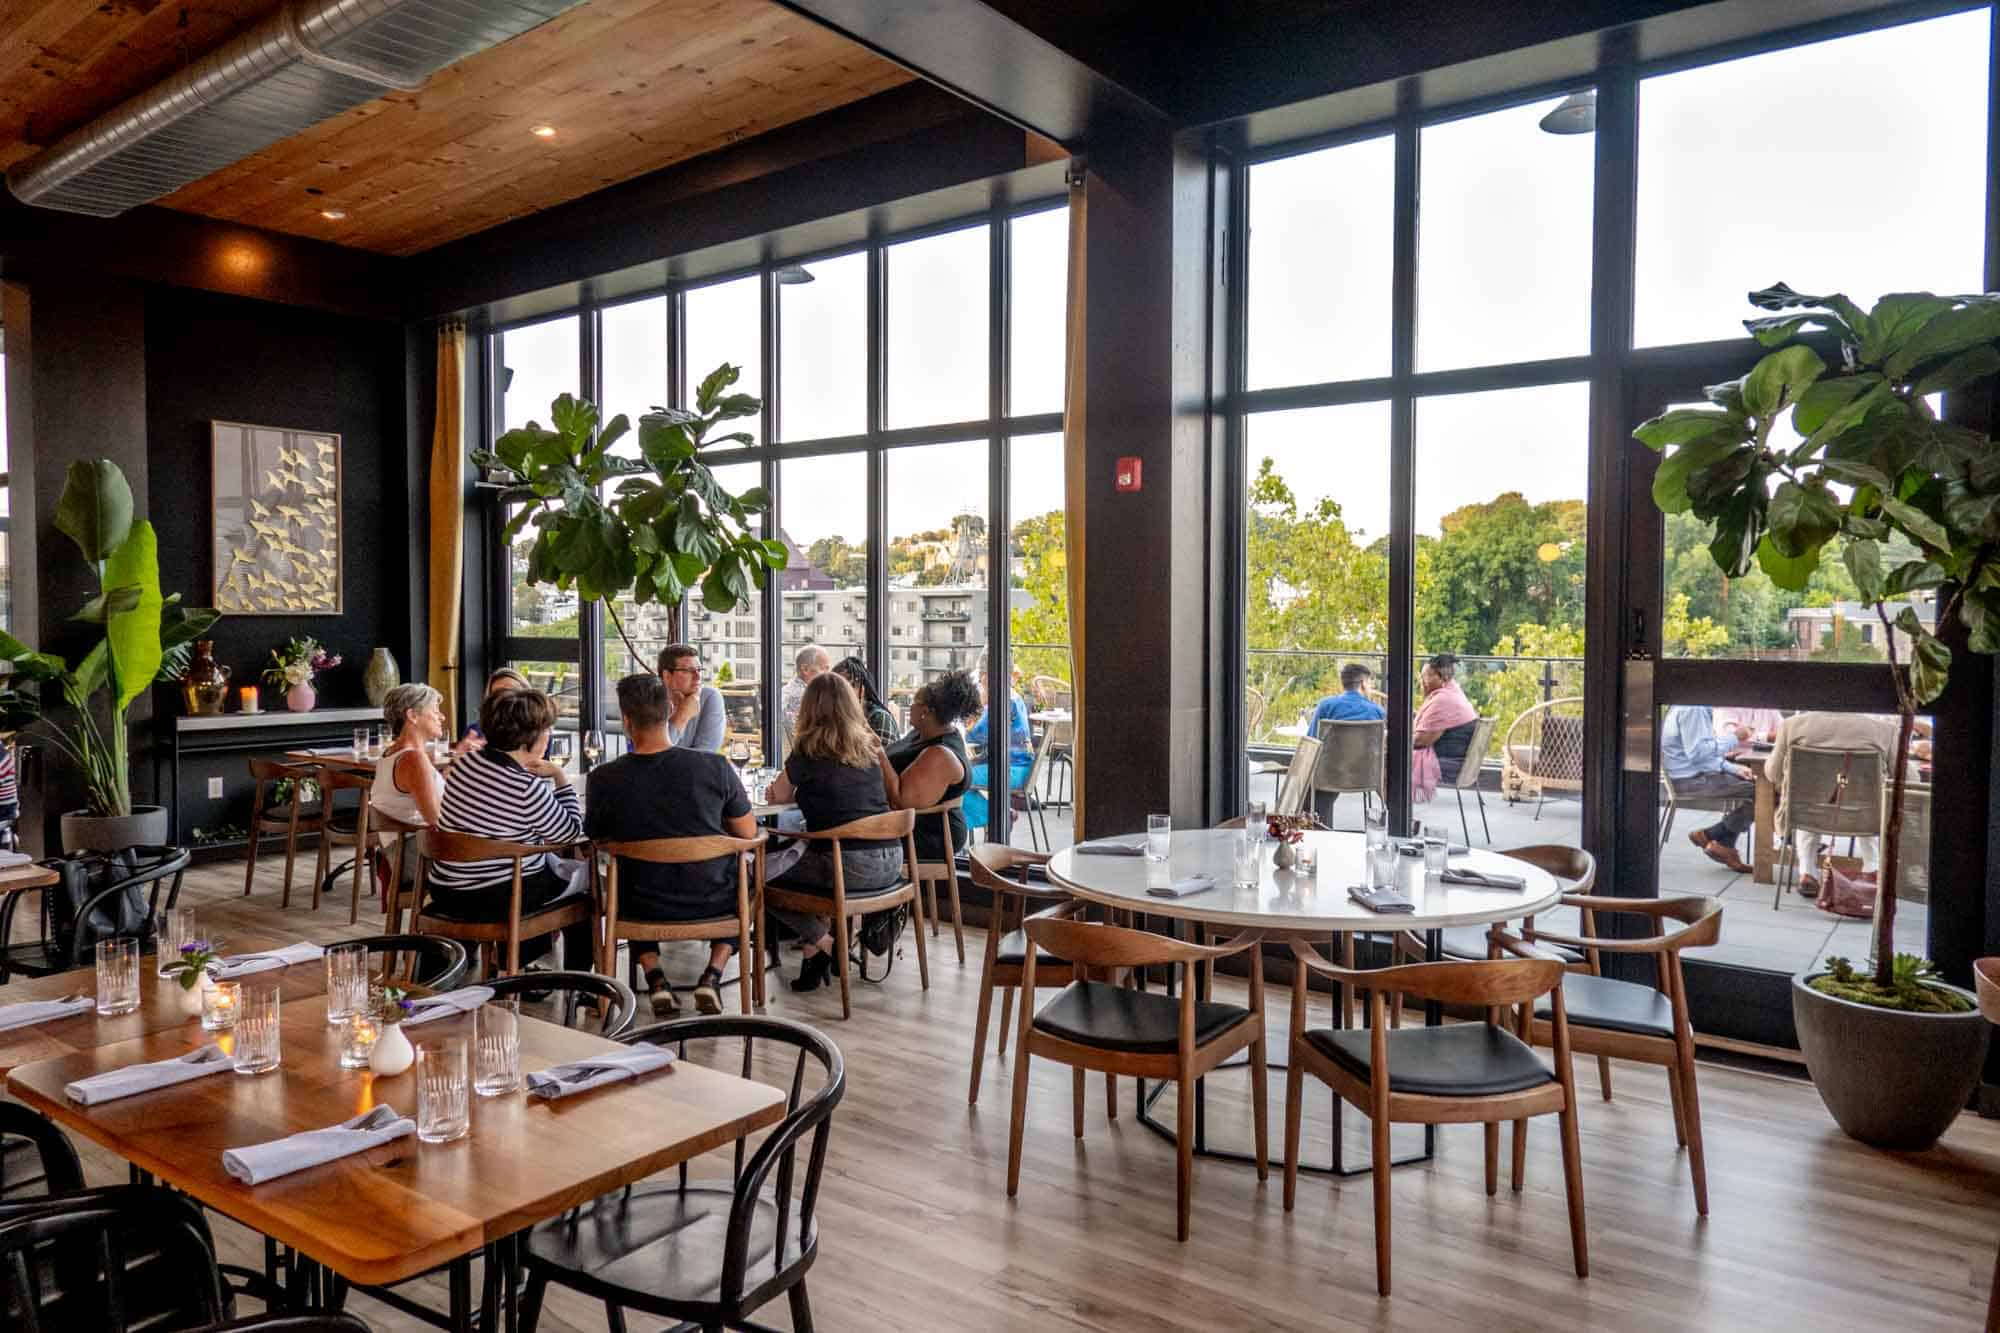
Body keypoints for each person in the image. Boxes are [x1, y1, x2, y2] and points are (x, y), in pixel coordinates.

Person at [586, 673, 755, 1015]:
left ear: (628, 721)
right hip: (712, 899)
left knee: (629, 880)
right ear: (670, 712)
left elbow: (596, 836)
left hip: (641, 904)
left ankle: (656, 978)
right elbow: (748, 832)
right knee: (747, 883)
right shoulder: (714, 766)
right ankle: (713, 974)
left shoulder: (604, 778)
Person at [427, 687, 592, 967]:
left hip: (446, 891)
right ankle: (580, 989)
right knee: (586, 897)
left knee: (545, 871)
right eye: (547, 730)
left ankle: (518, 967)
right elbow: (569, 832)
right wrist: (561, 778)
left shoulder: (465, 764)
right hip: (497, 897)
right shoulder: (525, 787)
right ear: (531, 738)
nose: (548, 736)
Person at [766, 675, 905, 992]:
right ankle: (813, 962)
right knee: (813, 861)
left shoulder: (807, 750)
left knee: (758, 877)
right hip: (892, 862)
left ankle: (827, 943)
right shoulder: (869, 748)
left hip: (849, 865)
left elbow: (779, 795)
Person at [1763, 711, 1899, 896]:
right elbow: (1909, 779)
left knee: (1808, 799)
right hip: (1865, 818)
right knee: (1869, 802)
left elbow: (1772, 773)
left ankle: (1807, 873)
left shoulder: (1792, 726)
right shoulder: (1884, 731)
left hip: (1807, 815)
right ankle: (1872, 871)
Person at [880, 669, 977, 865]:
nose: (909, 708)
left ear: (925, 711)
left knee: (843, 838)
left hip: (929, 834)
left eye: (913, 703)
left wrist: (878, 753)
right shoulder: (920, 734)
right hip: (905, 823)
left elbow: (900, 801)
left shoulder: (940, 754)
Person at [1663, 703, 1756, 874]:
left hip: (1689, 775)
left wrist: (1734, 768)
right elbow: (1699, 753)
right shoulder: (1693, 709)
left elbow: (1701, 756)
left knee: (1753, 786)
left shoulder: (1683, 706)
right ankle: (1713, 835)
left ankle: (1724, 845)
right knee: (1762, 793)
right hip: (1691, 780)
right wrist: (1735, 737)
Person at [373, 682, 446, 834]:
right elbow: (436, 820)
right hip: (419, 850)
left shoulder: (390, 753)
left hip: (398, 847)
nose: (442, 717)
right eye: (435, 711)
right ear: (412, 715)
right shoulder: (413, 759)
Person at [965, 666, 1032, 828]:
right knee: (960, 774)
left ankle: (997, 816)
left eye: (982, 679)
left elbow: (976, 735)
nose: (981, 683)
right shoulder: (1013, 697)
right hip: (1020, 767)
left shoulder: (1001, 700)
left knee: (959, 779)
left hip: (1011, 770)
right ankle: (997, 815)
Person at [1411, 654, 1479, 804]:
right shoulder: (1454, 692)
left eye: (1427, 676)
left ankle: (1394, 811)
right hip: (1464, 761)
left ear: (1443, 678)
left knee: (1391, 759)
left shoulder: (1443, 699)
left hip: (1452, 764)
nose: (1421, 681)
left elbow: (1422, 741)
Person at [656, 643, 725, 752]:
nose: (697, 677)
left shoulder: (709, 697)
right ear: (667, 676)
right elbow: (653, 752)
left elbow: (705, 755)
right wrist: (682, 715)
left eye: (699, 670)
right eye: (688, 670)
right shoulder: (649, 701)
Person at [456, 666, 530, 752]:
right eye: (498, 693)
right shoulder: (475, 731)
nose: (506, 697)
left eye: (512, 690)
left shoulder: (540, 732)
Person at [833, 656, 900, 745]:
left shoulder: (879, 717)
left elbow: (881, 757)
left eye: (850, 686)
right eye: (836, 687)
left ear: (862, 690)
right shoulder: (834, 716)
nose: (843, 693)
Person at [1309, 663, 1386, 734]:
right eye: (1370, 684)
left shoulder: (1325, 706)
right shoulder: (1377, 711)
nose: (1371, 688)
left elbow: (1312, 738)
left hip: (1334, 749)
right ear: (1363, 683)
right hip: (1367, 749)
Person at [782, 644, 831, 731]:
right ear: (805, 669)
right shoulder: (806, 697)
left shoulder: (787, 690)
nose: (828, 674)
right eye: (824, 669)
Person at [1713, 706, 1783, 749]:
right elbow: (1728, 738)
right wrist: (1766, 737)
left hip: (1763, 760)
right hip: (1732, 762)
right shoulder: (1728, 705)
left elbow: (1783, 731)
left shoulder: (1769, 706)